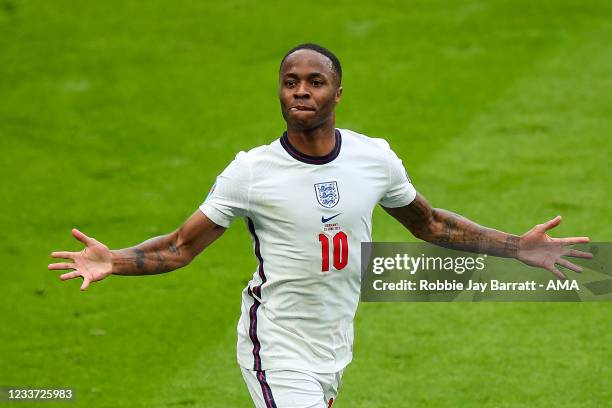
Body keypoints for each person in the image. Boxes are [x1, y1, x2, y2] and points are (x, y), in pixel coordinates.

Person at [49, 43, 591, 408]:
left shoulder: (374, 159)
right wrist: (113, 261)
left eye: (314, 81)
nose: (301, 91)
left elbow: (429, 224)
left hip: (333, 342)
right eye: (290, 82)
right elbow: (179, 247)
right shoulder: (251, 172)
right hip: (275, 342)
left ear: (337, 93)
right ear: (280, 93)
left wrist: (516, 246)